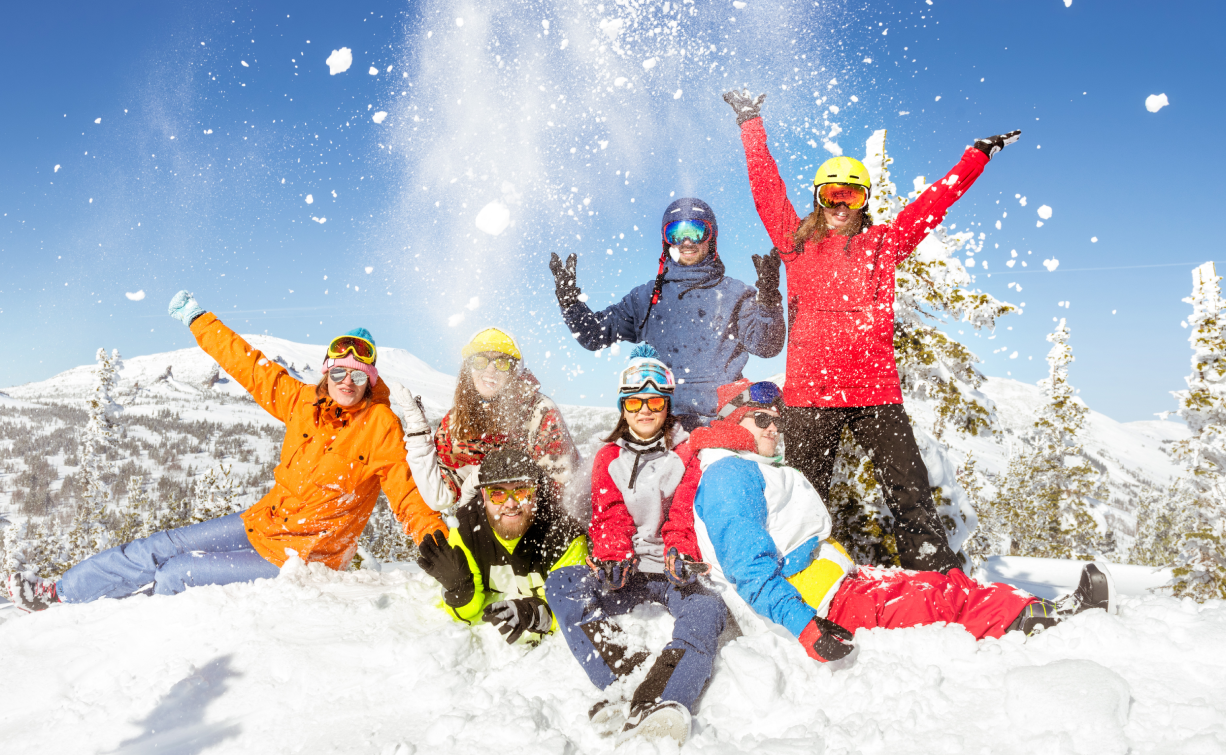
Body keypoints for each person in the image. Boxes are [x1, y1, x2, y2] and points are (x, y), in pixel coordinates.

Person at [723, 89, 1022, 572]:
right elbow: (766, 189)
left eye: (852, 195)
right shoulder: (796, 243)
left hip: (875, 393)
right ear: (819, 200)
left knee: (910, 490)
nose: (841, 205)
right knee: (802, 494)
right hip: (811, 397)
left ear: (864, 201)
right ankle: (796, 577)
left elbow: (933, 204)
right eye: (832, 195)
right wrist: (750, 123)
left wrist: (975, 157)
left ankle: (933, 573)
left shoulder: (883, 244)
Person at [6, 290, 445, 612]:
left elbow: (407, 496)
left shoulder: (380, 426)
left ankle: (132, 630)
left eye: (358, 375)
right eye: (339, 372)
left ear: (370, 380)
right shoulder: (301, 402)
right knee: (161, 546)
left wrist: (436, 544)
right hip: (263, 522)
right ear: (325, 373)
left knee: (176, 572)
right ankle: (58, 594)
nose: (347, 382)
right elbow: (247, 364)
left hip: (305, 555)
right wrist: (199, 319)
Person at [682, 378, 1116, 664]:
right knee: (936, 600)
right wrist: (806, 628)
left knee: (941, 583)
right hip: (818, 605)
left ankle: (1031, 609)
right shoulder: (729, 476)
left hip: (834, 586)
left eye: (778, 421)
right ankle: (1039, 622)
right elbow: (749, 571)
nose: (775, 429)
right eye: (763, 420)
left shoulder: (749, 467)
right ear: (732, 422)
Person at [544, 345, 727, 747]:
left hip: (671, 570)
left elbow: (683, 510)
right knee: (561, 584)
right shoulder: (608, 456)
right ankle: (627, 672)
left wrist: (679, 552)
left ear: (667, 406)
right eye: (635, 402)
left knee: (708, 608)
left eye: (655, 402)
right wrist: (613, 555)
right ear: (623, 408)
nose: (645, 411)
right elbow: (609, 513)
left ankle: (664, 696)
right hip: (628, 571)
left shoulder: (685, 452)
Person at [549, 197, 786, 430]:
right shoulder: (645, 298)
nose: (686, 241)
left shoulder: (735, 293)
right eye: (675, 233)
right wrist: (571, 304)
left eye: (696, 231)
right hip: (661, 423)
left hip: (722, 422)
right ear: (666, 242)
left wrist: (768, 301)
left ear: (711, 237)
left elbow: (767, 346)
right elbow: (595, 335)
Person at [391, 327, 579, 513]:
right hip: (486, 529)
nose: (490, 370)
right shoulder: (456, 421)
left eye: (502, 363)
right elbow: (438, 497)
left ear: (514, 371)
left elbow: (562, 492)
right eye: (480, 361)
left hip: (536, 526)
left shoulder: (540, 412)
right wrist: (417, 431)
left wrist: (483, 485)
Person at [415, 449, 588, 644]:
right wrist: (460, 591)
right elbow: (465, 617)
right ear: (483, 495)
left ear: (536, 491)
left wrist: (534, 614)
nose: (511, 503)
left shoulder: (563, 534)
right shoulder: (467, 531)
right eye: (497, 494)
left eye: (521, 491)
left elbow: (575, 610)